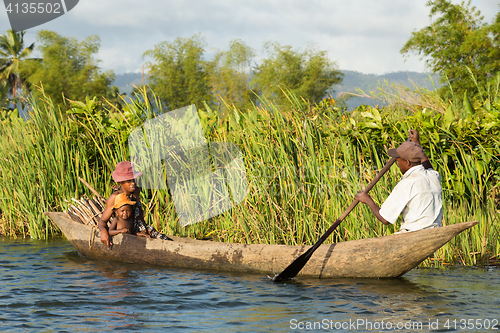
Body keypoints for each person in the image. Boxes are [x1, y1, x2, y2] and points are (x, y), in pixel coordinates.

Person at [354, 130, 443, 233]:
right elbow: (426, 165)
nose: (397, 163)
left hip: (414, 233)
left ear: (407, 162)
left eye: (398, 161)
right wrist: (416, 144)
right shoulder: (434, 176)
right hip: (434, 231)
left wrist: (367, 200)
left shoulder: (407, 184)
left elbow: (385, 219)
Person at [99, 161, 172, 249]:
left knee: (166, 241)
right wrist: (103, 232)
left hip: (141, 231)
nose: (133, 183)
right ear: (121, 182)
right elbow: (102, 221)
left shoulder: (136, 191)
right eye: (129, 181)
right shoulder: (115, 198)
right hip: (127, 235)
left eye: (134, 180)